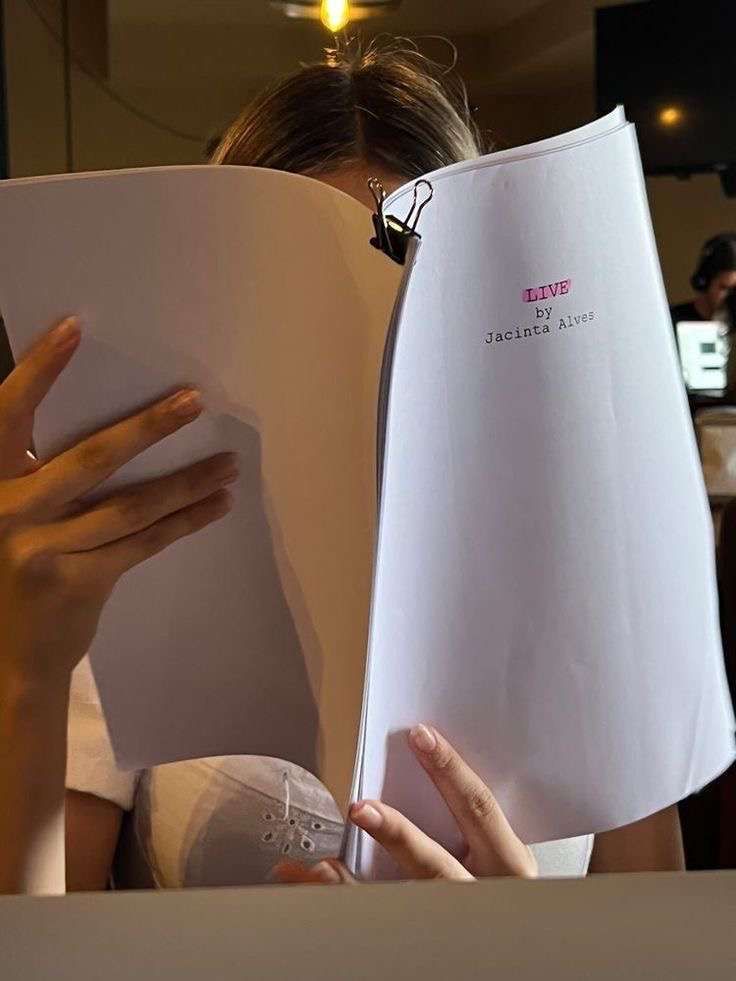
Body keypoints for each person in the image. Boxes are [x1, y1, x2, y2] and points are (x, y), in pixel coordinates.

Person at [0, 40, 684, 897]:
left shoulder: (599, 591)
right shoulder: (129, 563)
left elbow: (656, 942)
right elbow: (43, 945)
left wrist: (522, 947)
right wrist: (27, 669)